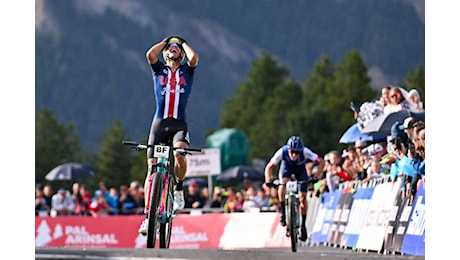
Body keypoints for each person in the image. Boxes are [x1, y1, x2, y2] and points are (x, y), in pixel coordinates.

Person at [138, 36, 199, 235]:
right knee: (151, 170)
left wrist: (182, 43)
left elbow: (194, 58)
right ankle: (148, 218)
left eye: (177, 48)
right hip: (159, 124)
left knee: (180, 153)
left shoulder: (186, 71)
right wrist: (165, 42)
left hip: (178, 124)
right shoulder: (159, 70)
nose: (174, 49)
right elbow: (150, 55)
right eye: (170, 47)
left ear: (180, 53)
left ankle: (179, 187)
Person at [264, 136, 325, 242]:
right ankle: (283, 210)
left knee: (302, 197)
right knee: (282, 184)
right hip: (286, 168)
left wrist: (316, 176)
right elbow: (269, 167)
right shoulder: (282, 152)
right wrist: (268, 180)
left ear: (300, 150)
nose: (294, 155)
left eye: (297, 152)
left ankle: (303, 226)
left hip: (300, 170)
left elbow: (321, 162)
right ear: (288, 149)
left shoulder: (305, 151)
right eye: (292, 152)